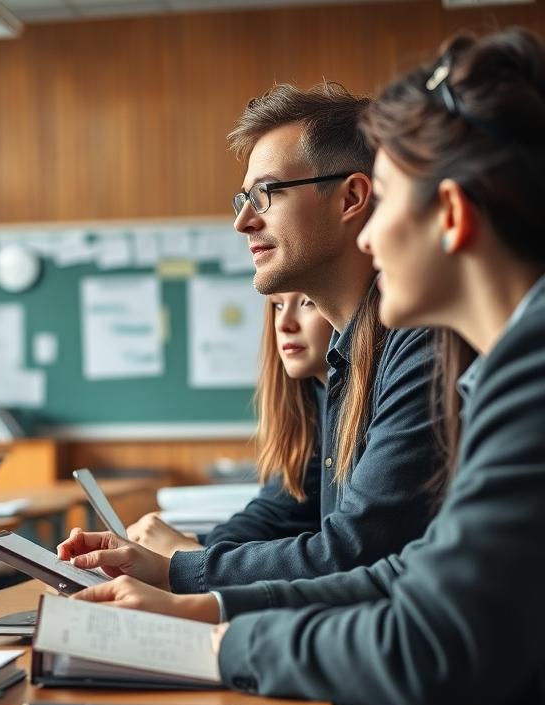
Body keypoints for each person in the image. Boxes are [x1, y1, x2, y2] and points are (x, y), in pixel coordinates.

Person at [63, 28, 545, 705]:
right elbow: (406, 576)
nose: (374, 238)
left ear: (448, 215)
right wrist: (199, 608)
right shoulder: (504, 362)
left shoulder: (524, 366)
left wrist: (212, 639)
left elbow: (428, 640)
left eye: (388, 204)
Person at [66, 81, 452, 597]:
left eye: (266, 194)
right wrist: (178, 567)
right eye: (244, 199)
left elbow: (356, 551)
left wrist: (178, 569)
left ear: (352, 198)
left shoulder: (417, 340)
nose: (243, 221)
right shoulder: (348, 354)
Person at [132, 292, 333, 557]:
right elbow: (279, 509)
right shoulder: (313, 394)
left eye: (308, 302)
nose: (284, 324)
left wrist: (187, 554)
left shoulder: (367, 398)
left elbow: (345, 551)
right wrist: (193, 545)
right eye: (277, 305)